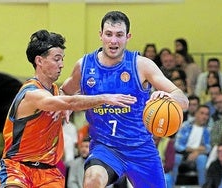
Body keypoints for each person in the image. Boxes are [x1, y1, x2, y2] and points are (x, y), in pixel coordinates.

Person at [60, 11, 189, 188]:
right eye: (109, 34)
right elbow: (64, 91)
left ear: (128, 36)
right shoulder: (84, 66)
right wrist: (64, 104)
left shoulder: (141, 65)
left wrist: (170, 97)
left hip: (141, 149)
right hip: (105, 148)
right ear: (101, 35)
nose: (114, 41)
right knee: (92, 180)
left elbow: (183, 99)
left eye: (119, 35)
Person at [0, 29, 137, 188]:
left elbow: (72, 94)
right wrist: (106, 98)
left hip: (49, 173)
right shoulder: (31, 94)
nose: (62, 64)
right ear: (39, 61)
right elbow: (69, 102)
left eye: (62, 59)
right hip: (18, 168)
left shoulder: (57, 92)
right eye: (56, 59)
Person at [173, 105, 211, 186]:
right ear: (196, 114)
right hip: (183, 153)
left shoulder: (208, 130)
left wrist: (197, 153)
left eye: (207, 114)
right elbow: (177, 145)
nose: (204, 116)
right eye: (202, 113)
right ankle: (172, 185)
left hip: (199, 155)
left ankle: (202, 186)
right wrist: (195, 150)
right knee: (175, 158)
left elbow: (208, 147)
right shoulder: (185, 126)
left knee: (203, 159)